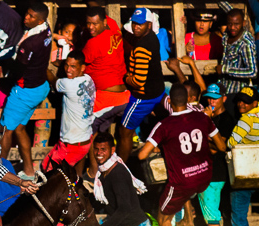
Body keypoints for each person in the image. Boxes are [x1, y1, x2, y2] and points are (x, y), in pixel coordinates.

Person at [137, 83, 227, 226]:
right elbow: (221, 146)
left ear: (169, 102)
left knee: (163, 219)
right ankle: (187, 216)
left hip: (183, 181)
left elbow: (143, 154)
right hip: (205, 176)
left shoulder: (165, 125)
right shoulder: (203, 118)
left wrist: (160, 147)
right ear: (188, 101)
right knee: (182, 205)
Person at [0, 2, 51, 180]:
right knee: (20, 129)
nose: (25, 18)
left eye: (31, 17)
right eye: (26, 14)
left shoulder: (30, 43)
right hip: (41, 87)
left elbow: (18, 69)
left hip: (25, 91)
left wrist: (5, 64)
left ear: (40, 20)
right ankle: (29, 171)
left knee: (6, 131)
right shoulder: (47, 30)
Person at [200, 84, 238, 226]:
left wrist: (205, 128)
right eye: (209, 98)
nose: (211, 101)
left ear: (224, 98)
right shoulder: (211, 117)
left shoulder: (225, 121)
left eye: (215, 98)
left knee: (212, 220)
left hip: (214, 176)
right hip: (208, 175)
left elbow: (216, 149)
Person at [118, 8, 166, 163]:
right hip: (158, 91)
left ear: (149, 24)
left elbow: (138, 81)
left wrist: (126, 77)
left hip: (143, 97)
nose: (136, 27)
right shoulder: (152, 38)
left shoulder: (141, 48)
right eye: (134, 24)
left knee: (124, 131)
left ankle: (120, 168)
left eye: (140, 24)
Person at [226, 86, 259, 226]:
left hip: (245, 174)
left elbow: (231, 142)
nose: (242, 104)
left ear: (254, 102)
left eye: (246, 101)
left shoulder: (246, 120)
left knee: (239, 218)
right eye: (240, 100)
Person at [42, 51, 94, 175]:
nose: (68, 70)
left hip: (72, 145)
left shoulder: (68, 84)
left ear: (82, 68)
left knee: (49, 172)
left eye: (73, 66)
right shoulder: (88, 80)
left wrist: (43, 66)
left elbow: (53, 80)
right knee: (69, 176)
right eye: (66, 65)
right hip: (84, 138)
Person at [83, 7, 128, 149]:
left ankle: (91, 170)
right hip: (124, 96)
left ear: (103, 22)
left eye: (95, 24)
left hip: (106, 99)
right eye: (88, 23)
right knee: (101, 136)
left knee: (85, 136)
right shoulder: (114, 27)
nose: (91, 27)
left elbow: (76, 64)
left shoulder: (93, 43)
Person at [218, 8, 257, 95]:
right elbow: (228, 9)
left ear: (243, 23)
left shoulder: (246, 43)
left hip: (236, 93)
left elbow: (252, 72)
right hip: (223, 88)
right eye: (229, 24)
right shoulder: (227, 33)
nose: (232, 27)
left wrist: (225, 69)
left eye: (236, 24)